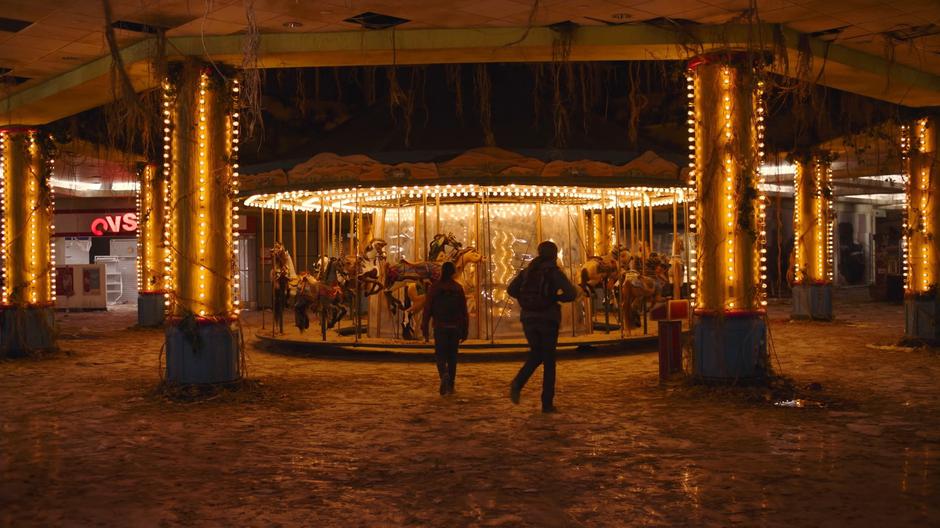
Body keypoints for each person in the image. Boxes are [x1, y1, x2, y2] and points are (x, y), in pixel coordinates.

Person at [507, 240, 578, 413]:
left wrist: (525, 299)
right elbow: (571, 293)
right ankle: (546, 402)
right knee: (548, 360)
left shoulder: (528, 271)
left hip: (528, 318)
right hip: (548, 318)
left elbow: (511, 289)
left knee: (537, 353)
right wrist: (554, 298)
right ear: (554, 255)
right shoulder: (553, 272)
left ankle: (518, 382)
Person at [421, 261, 469, 396]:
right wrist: (465, 328)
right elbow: (463, 311)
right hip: (455, 326)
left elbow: (428, 308)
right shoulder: (458, 288)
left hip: (440, 326)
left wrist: (424, 326)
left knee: (440, 355)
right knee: (452, 356)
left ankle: (444, 375)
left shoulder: (435, 288)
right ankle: (451, 384)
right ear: (453, 272)